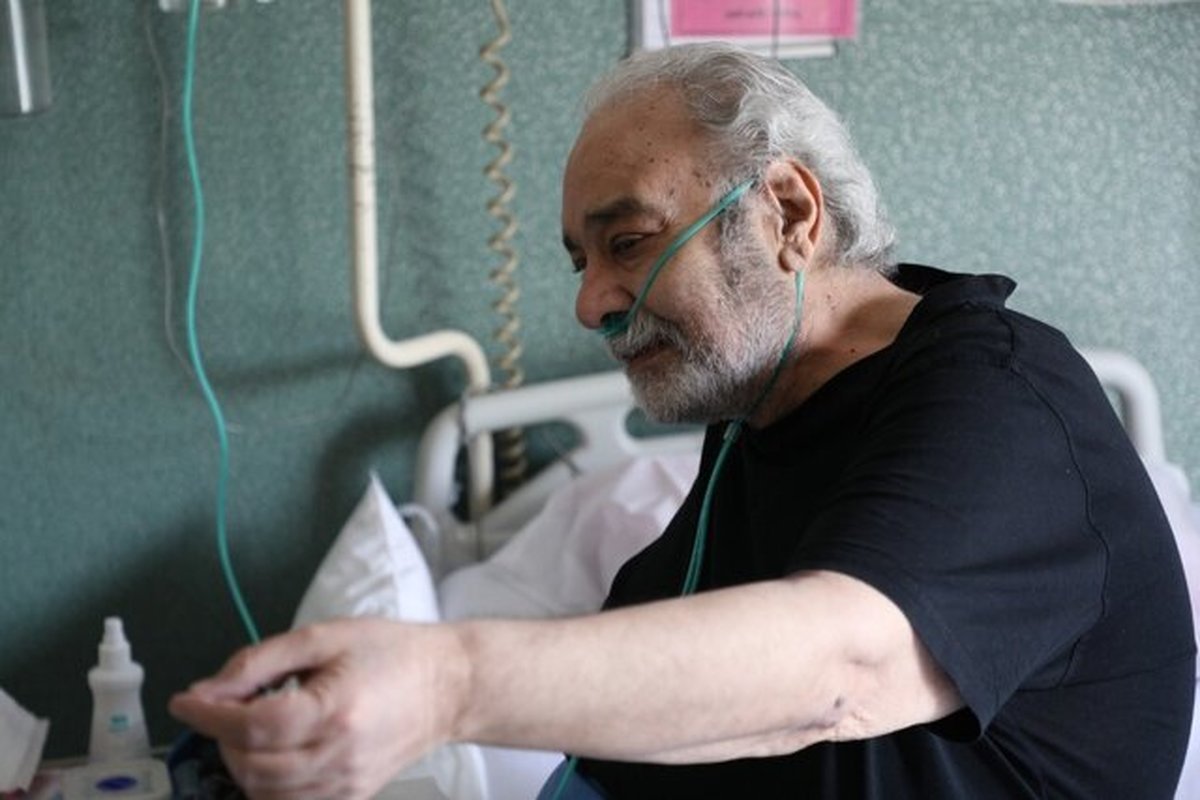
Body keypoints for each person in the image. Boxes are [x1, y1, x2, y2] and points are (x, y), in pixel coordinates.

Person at [170, 43, 1195, 799]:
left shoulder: (998, 403)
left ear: (789, 214)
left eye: (627, 241)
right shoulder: (762, 403)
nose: (592, 303)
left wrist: (447, 684)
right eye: (581, 260)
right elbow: (674, 690)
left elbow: (841, 665)